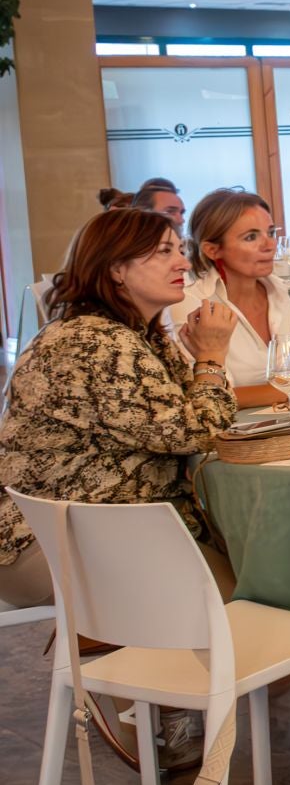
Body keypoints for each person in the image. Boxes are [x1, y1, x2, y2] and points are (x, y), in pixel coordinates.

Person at [0, 208, 239, 609]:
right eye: (164, 251)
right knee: (248, 590)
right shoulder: (98, 342)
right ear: (115, 269)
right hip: (45, 542)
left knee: (246, 569)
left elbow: (194, 413)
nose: (183, 262)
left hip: (96, 522)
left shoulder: (133, 335)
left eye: (180, 249)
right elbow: (198, 432)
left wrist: (203, 364)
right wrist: (211, 356)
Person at [169, 188, 290, 407]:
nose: (270, 245)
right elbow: (212, 399)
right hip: (230, 433)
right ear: (212, 249)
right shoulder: (191, 302)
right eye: (251, 237)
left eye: (271, 233)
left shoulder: (278, 290)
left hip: (286, 423)